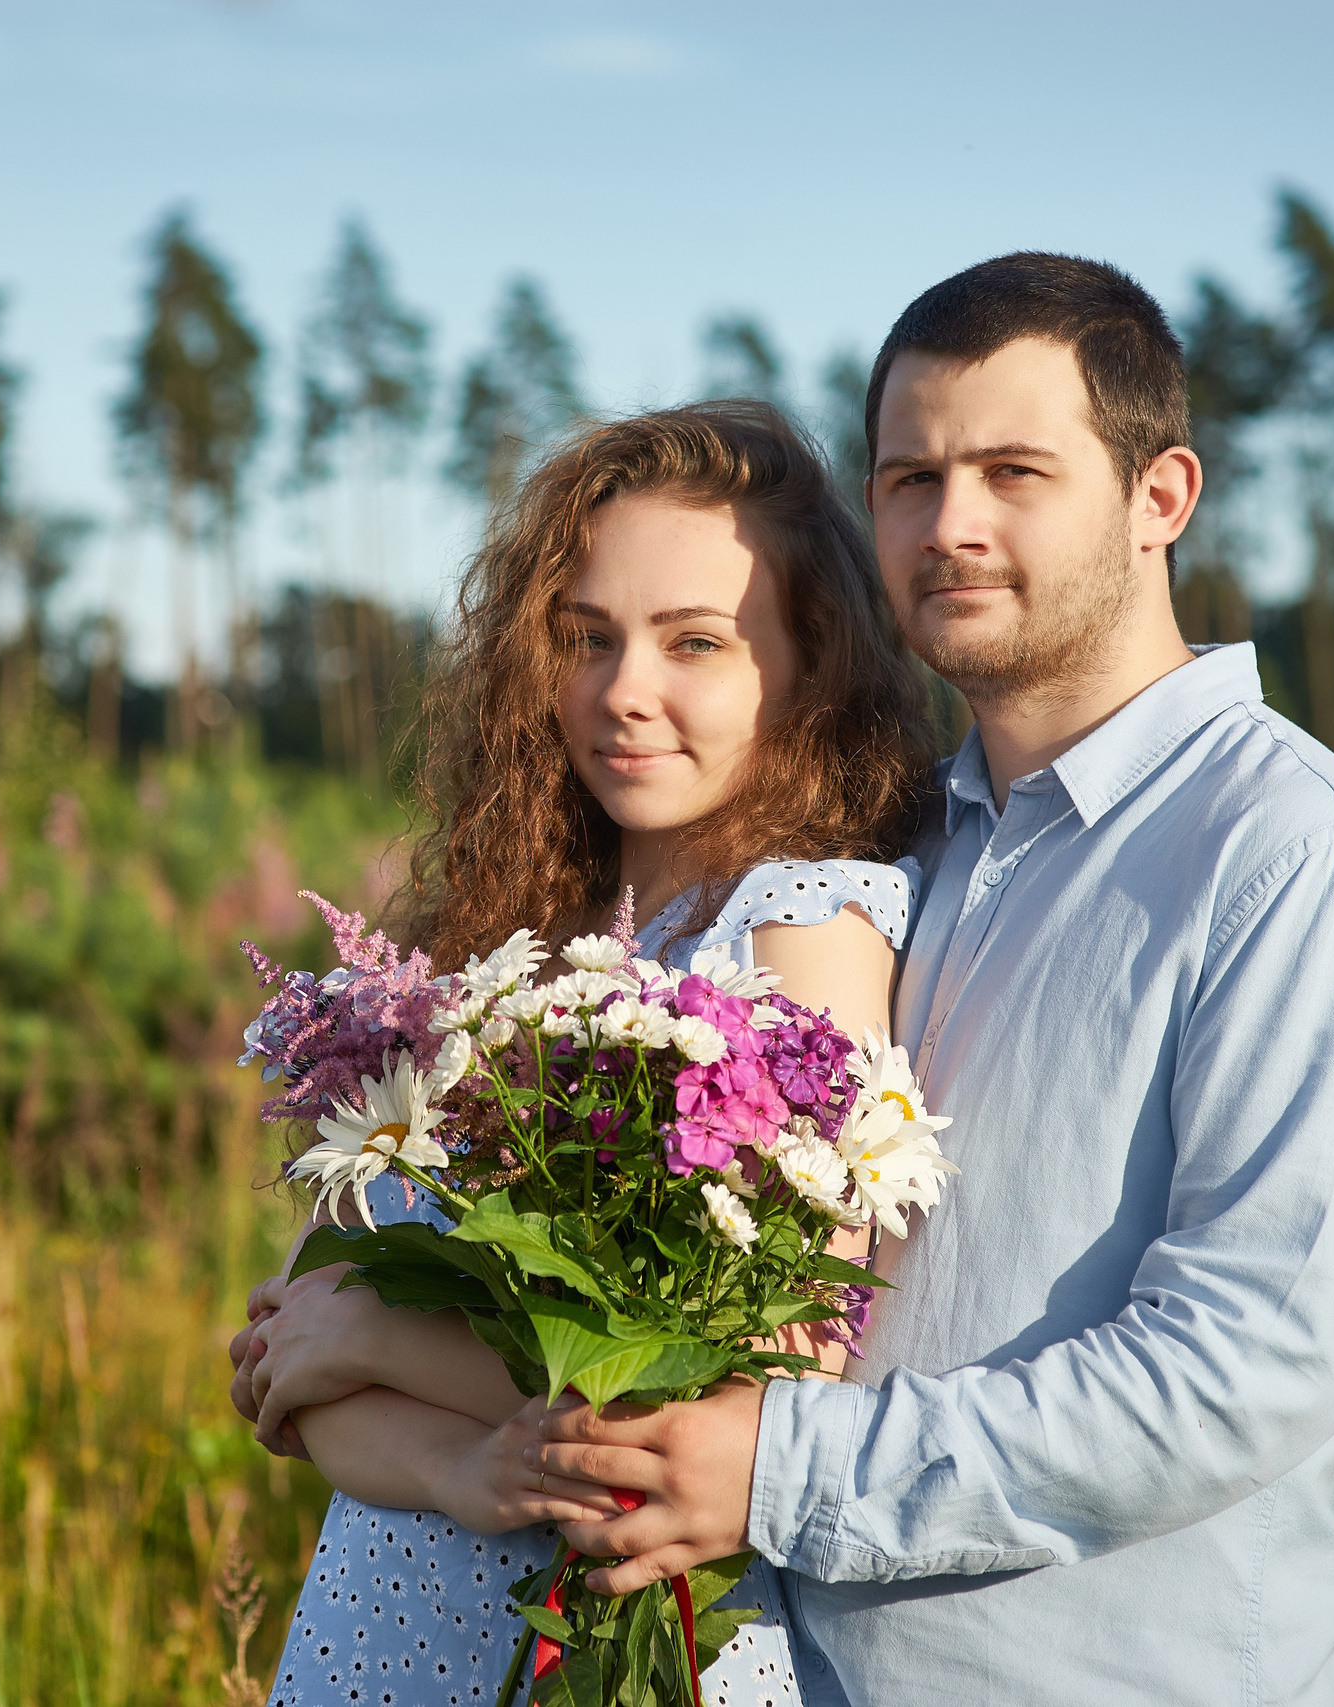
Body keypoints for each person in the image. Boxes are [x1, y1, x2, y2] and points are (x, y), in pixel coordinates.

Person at [528, 254, 1334, 1705]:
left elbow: (1247, 1364)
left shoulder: (1290, 854)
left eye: (1014, 472)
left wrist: (784, 1469)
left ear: (1162, 497)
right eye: (910, 479)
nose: (951, 525)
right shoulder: (901, 848)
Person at [228, 401, 939, 1706]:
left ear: (808, 666)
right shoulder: (510, 941)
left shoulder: (798, 926)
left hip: (621, 1644)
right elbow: (291, 1363)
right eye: (588, 637)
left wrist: (373, 1328)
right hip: (386, 1640)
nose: (625, 691)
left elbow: (768, 1364)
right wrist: (459, 1466)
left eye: (697, 643)